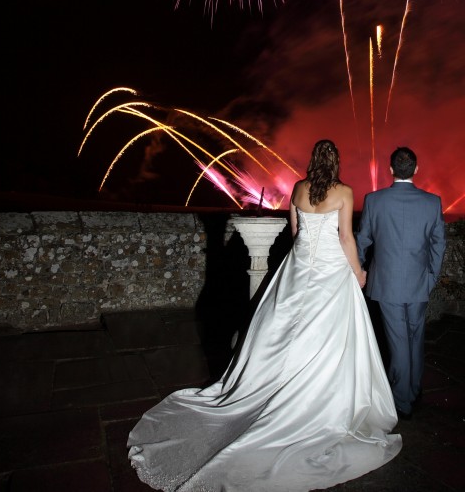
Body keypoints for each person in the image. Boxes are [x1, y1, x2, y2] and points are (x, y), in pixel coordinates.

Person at [127, 140, 401, 491]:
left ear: (313, 162)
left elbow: (297, 233)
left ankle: (278, 387)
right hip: (331, 271)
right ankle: (318, 399)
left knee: (283, 328)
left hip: (300, 267)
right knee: (331, 336)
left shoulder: (299, 190)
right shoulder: (344, 192)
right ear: (337, 163)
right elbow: (346, 237)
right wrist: (359, 273)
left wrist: (305, 260)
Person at [356, 146, 447, 420]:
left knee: (398, 341)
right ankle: (414, 389)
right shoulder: (432, 202)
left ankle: (402, 400)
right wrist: (431, 276)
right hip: (420, 282)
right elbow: (439, 244)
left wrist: (358, 268)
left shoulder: (374, 200)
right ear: (416, 170)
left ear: (391, 169)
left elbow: (363, 239)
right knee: (415, 337)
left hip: (387, 283)